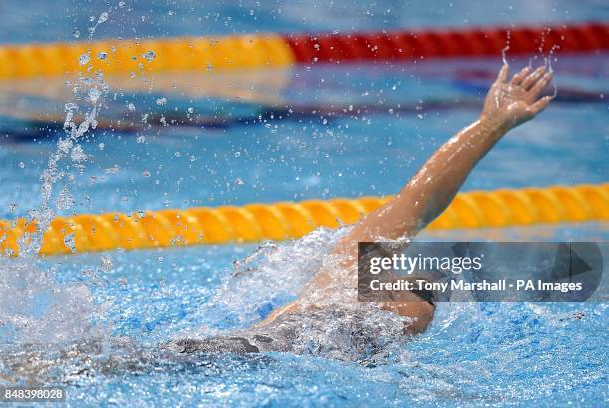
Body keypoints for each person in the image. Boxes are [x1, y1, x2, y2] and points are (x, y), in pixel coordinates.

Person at [173, 63, 554, 359]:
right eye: (420, 296)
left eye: (428, 301)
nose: (421, 314)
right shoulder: (349, 278)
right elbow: (422, 198)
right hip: (240, 355)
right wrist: (489, 127)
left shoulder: (377, 347)